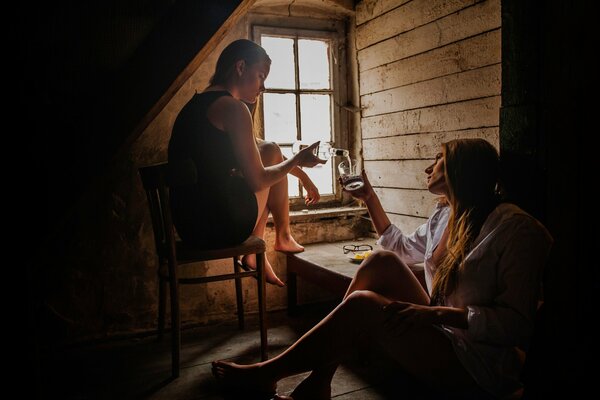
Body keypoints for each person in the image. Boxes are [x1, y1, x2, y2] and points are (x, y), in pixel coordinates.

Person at [212, 138, 553, 399]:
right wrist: (370, 198)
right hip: (443, 333)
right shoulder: (445, 215)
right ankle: (320, 379)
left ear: (461, 170)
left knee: (362, 303)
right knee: (380, 261)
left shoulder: (516, 229)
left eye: (438, 159)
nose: (428, 167)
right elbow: (401, 249)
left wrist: (434, 316)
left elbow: (517, 326)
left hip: (479, 365)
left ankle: (269, 371)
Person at [168, 39, 325, 287]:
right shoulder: (233, 108)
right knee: (266, 161)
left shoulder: (196, 105)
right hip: (218, 227)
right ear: (240, 67)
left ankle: (262, 249)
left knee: (268, 151)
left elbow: (261, 151)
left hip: (188, 226)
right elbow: (259, 179)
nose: (262, 86)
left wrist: (303, 177)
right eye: (260, 76)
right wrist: (298, 159)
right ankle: (280, 237)